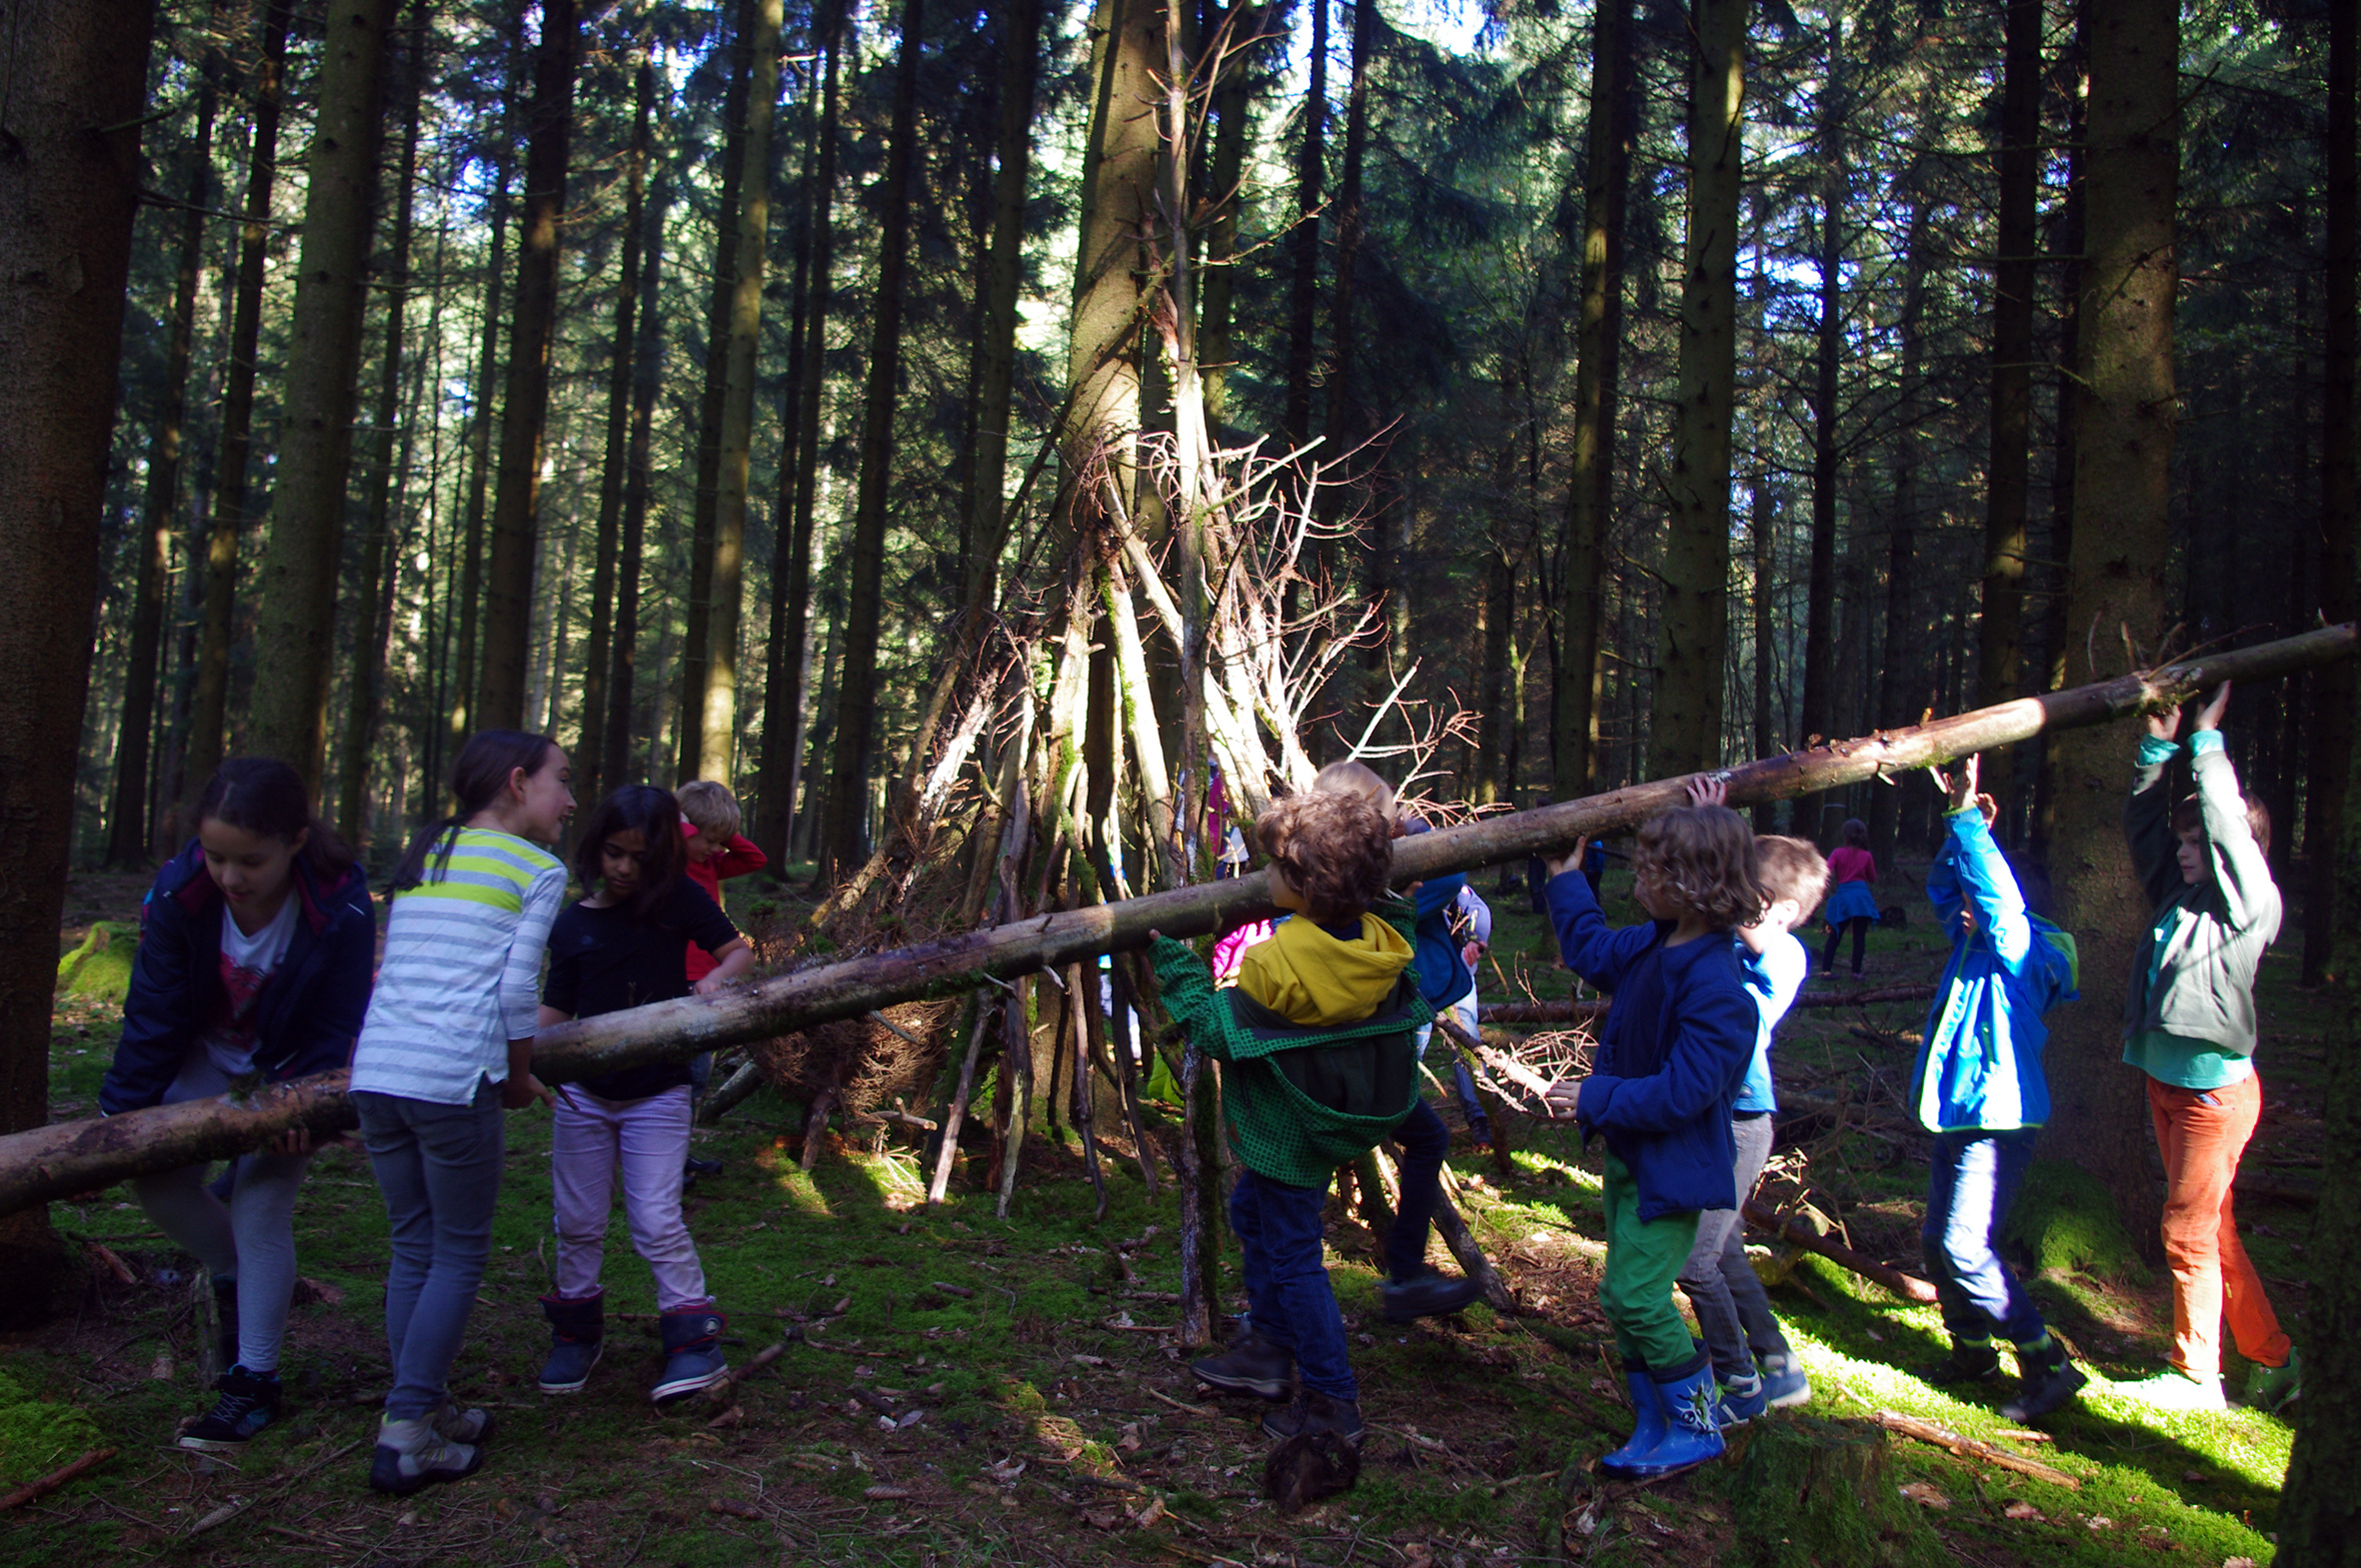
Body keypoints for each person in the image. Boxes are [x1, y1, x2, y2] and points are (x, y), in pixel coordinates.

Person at [100, 760, 376, 1453]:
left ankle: (254, 1381)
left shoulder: (340, 903)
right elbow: (155, 1010)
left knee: (260, 1200)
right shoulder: (179, 892)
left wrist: (302, 1113)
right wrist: (121, 1118)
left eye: (250, 859)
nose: (231, 876)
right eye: (216, 855)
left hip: (288, 1074)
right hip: (201, 1059)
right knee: (155, 1179)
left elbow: (336, 1024)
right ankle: (234, 1278)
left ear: (295, 840)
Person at [1161, 788, 1427, 1443]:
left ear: (1305, 884)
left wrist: (1174, 962)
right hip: (1338, 1116)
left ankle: (1334, 1401)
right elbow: (1399, 908)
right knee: (1249, 1213)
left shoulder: (1277, 963)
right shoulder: (1382, 939)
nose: (1264, 877)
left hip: (1288, 1134)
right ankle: (1268, 1350)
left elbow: (1218, 1029)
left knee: (1296, 1257)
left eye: (1275, 867)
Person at [348, 731, 574, 1494]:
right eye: (561, 782)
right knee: (456, 1251)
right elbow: (516, 993)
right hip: (451, 1078)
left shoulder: (431, 848)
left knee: (414, 1245)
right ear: (517, 782)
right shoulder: (537, 867)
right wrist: (517, 1077)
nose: (570, 802)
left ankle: (426, 1406)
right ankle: (408, 1429)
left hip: (377, 1069)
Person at [1539, 789, 1762, 1478]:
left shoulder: (1719, 987)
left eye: (1651, 872)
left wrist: (1598, 1093)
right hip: (1633, 1157)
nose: (1637, 881)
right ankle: (1655, 1419)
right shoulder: (1655, 941)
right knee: (1620, 1297)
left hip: (1675, 1169)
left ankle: (1697, 1427)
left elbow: (1685, 1091)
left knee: (1639, 1297)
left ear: (1692, 887)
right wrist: (1564, 875)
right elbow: (1589, 946)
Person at [536, 785, 757, 1403]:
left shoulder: (679, 902)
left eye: (638, 856)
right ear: (595, 852)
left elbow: (737, 952)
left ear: (662, 857)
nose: (624, 868)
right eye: (613, 853)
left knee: (655, 1217)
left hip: (658, 1091)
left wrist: (713, 982)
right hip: (583, 1098)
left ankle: (692, 1338)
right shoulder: (575, 925)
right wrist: (526, 1064)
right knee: (576, 1220)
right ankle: (575, 1330)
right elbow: (554, 1008)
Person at [2113, 683, 2297, 1412]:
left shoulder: (2251, 902)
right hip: (2168, 1082)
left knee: (2186, 1228)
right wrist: (2159, 748)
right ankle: (2276, 1357)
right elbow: (2141, 827)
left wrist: (2207, 742)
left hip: (2213, 1094)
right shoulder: (2177, 896)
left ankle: (2196, 1377)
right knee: (2211, 1229)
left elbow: (2225, 825)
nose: (2185, 852)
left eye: (2198, 844)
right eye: (2184, 841)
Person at [1910, 753, 2086, 1422]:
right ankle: (1972, 1351)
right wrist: (1962, 835)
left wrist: (1965, 818)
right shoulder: (1977, 940)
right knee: (1935, 1241)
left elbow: (1998, 901)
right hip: (1960, 1114)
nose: (1963, 909)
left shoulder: (2021, 950)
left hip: (1997, 1118)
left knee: (1964, 1245)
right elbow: (1944, 891)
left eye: (1975, 898)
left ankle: (2046, 1360)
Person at [1671, 781, 1826, 1420]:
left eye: (1746, 891)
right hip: (1712, 1117)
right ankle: (1779, 1367)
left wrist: (1714, 824)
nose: (1730, 898)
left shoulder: (1784, 954)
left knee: (1693, 1258)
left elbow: (1753, 934)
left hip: (1741, 1124)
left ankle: (1739, 1383)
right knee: (1724, 1245)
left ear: (1781, 910)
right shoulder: (1736, 942)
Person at [1310, 762, 1488, 1320]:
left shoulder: (1325, 872)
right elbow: (1450, 866)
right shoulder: (1380, 878)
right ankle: (1398, 1277)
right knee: (1313, 1170)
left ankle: (1401, 1276)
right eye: (1392, 816)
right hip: (1362, 1052)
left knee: (1422, 1137)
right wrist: (1414, 835)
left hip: (1348, 1046)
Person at [675, 779, 767, 1179]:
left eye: (720, 841)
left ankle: (677, 1154)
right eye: (708, 840)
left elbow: (754, 860)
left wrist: (725, 832)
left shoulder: (711, 863)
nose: (716, 849)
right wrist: (685, 826)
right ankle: (662, 1157)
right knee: (671, 1073)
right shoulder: (670, 862)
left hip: (708, 979)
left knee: (697, 1075)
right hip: (673, 978)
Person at [1821, 818, 1878, 978]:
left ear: (1845, 836)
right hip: (1861, 898)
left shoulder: (1837, 853)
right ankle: (1856, 972)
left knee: (1835, 935)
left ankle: (1826, 970)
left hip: (1844, 897)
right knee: (1859, 937)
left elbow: (1827, 870)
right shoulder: (1866, 855)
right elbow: (1872, 877)